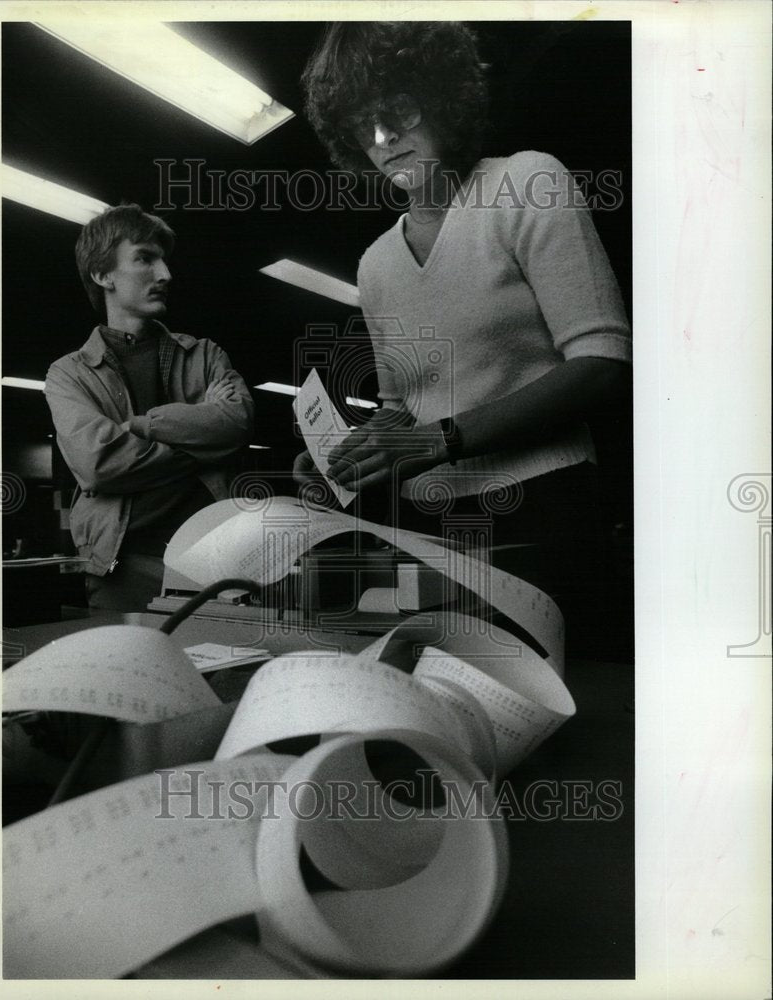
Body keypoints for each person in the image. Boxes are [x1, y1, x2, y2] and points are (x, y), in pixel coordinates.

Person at [297, 22, 632, 642]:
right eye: (360, 125)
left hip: (547, 511)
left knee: (565, 709)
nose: (382, 139)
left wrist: (440, 440)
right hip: (432, 526)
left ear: (441, 94)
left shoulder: (526, 182)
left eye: (397, 108)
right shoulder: (375, 264)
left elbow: (602, 364)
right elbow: (399, 412)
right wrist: (344, 459)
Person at [45, 204, 254, 611]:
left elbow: (237, 423)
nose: (165, 275)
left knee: (215, 672)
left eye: (164, 260)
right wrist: (200, 446)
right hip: (123, 567)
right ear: (103, 275)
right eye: (144, 258)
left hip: (212, 561)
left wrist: (143, 425)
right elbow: (98, 464)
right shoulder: (69, 373)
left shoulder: (204, 354)